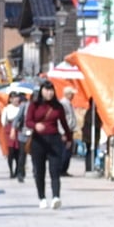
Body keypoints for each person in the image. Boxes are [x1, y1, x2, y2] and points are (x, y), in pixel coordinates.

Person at [26, 80, 73, 209]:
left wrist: (69, 139)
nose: (49, 93)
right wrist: (35, 125)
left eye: (51, 90)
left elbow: (64, 123)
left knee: (55, 170)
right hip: (38, 141)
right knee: (39, 171)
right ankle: (42, 197)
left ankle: (56, 197)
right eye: (46, 90)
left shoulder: (58, 106)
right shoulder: (34, 105)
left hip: (54, 140)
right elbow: (28, 122)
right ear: (41, 91)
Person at [1, 92, 29, 181]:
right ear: (10, 99)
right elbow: (3, 121)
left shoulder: (22, 107)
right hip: (9, 131)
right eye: (14, 98)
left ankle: (18, 169)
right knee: (11, 152)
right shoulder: (7, 109)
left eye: (17, 97)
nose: (16, 99)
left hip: (19, 130)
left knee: (19, 151)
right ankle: (11, 170)